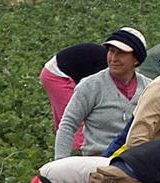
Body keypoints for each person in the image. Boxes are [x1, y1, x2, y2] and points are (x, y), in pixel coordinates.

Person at [53, 28, 148, 158]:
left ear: (136, 59)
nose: (113, 58)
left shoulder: (150, 88)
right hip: (97, 161)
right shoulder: (90, 86)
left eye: (121, 53)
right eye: (111, 51)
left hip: (137, 161)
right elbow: (68, 125)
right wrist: (60, 163)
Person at [39, 42, 108, 152]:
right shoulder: (107, 64)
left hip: (52, 71)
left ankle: (63, 149)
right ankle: (76, 154)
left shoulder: (107, 58)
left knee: (64, 119)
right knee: (74, 119)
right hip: (57, 75)